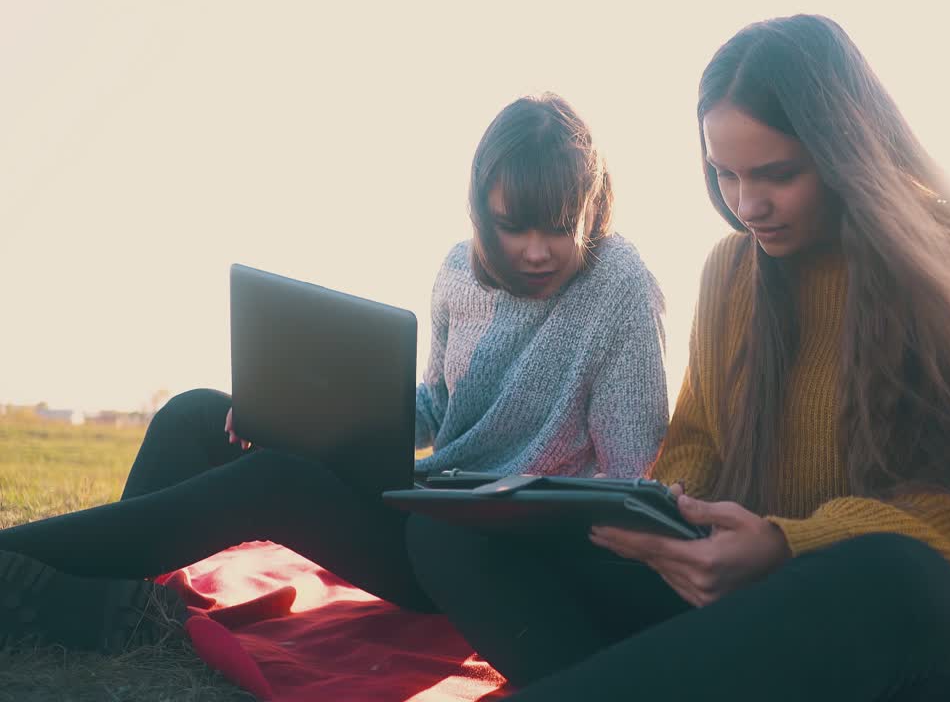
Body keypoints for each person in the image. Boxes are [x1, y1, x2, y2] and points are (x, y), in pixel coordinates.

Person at [404, 15, 950, 702]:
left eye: (777, 174)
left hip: (917, 634)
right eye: (726, 174)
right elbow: (699, 439)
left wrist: (786, 545)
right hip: (754, 605)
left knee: (888, 573)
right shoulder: (731, 271)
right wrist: (673, 521)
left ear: (848, 152)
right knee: (454, 527)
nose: (748, 204)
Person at [0, 93, 669, 653]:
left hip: (480, 551)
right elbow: (437, 406)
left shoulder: (619, 285)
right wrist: (300, 417)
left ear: (591, 206)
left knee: (272, 481)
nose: (533, 250)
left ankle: (17, 563)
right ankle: (91, 596)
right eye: (511, 226)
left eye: (557, 228)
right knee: (199, 413)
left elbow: (629, 473)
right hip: (419, 500)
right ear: (481, 209)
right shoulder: (460, 271)